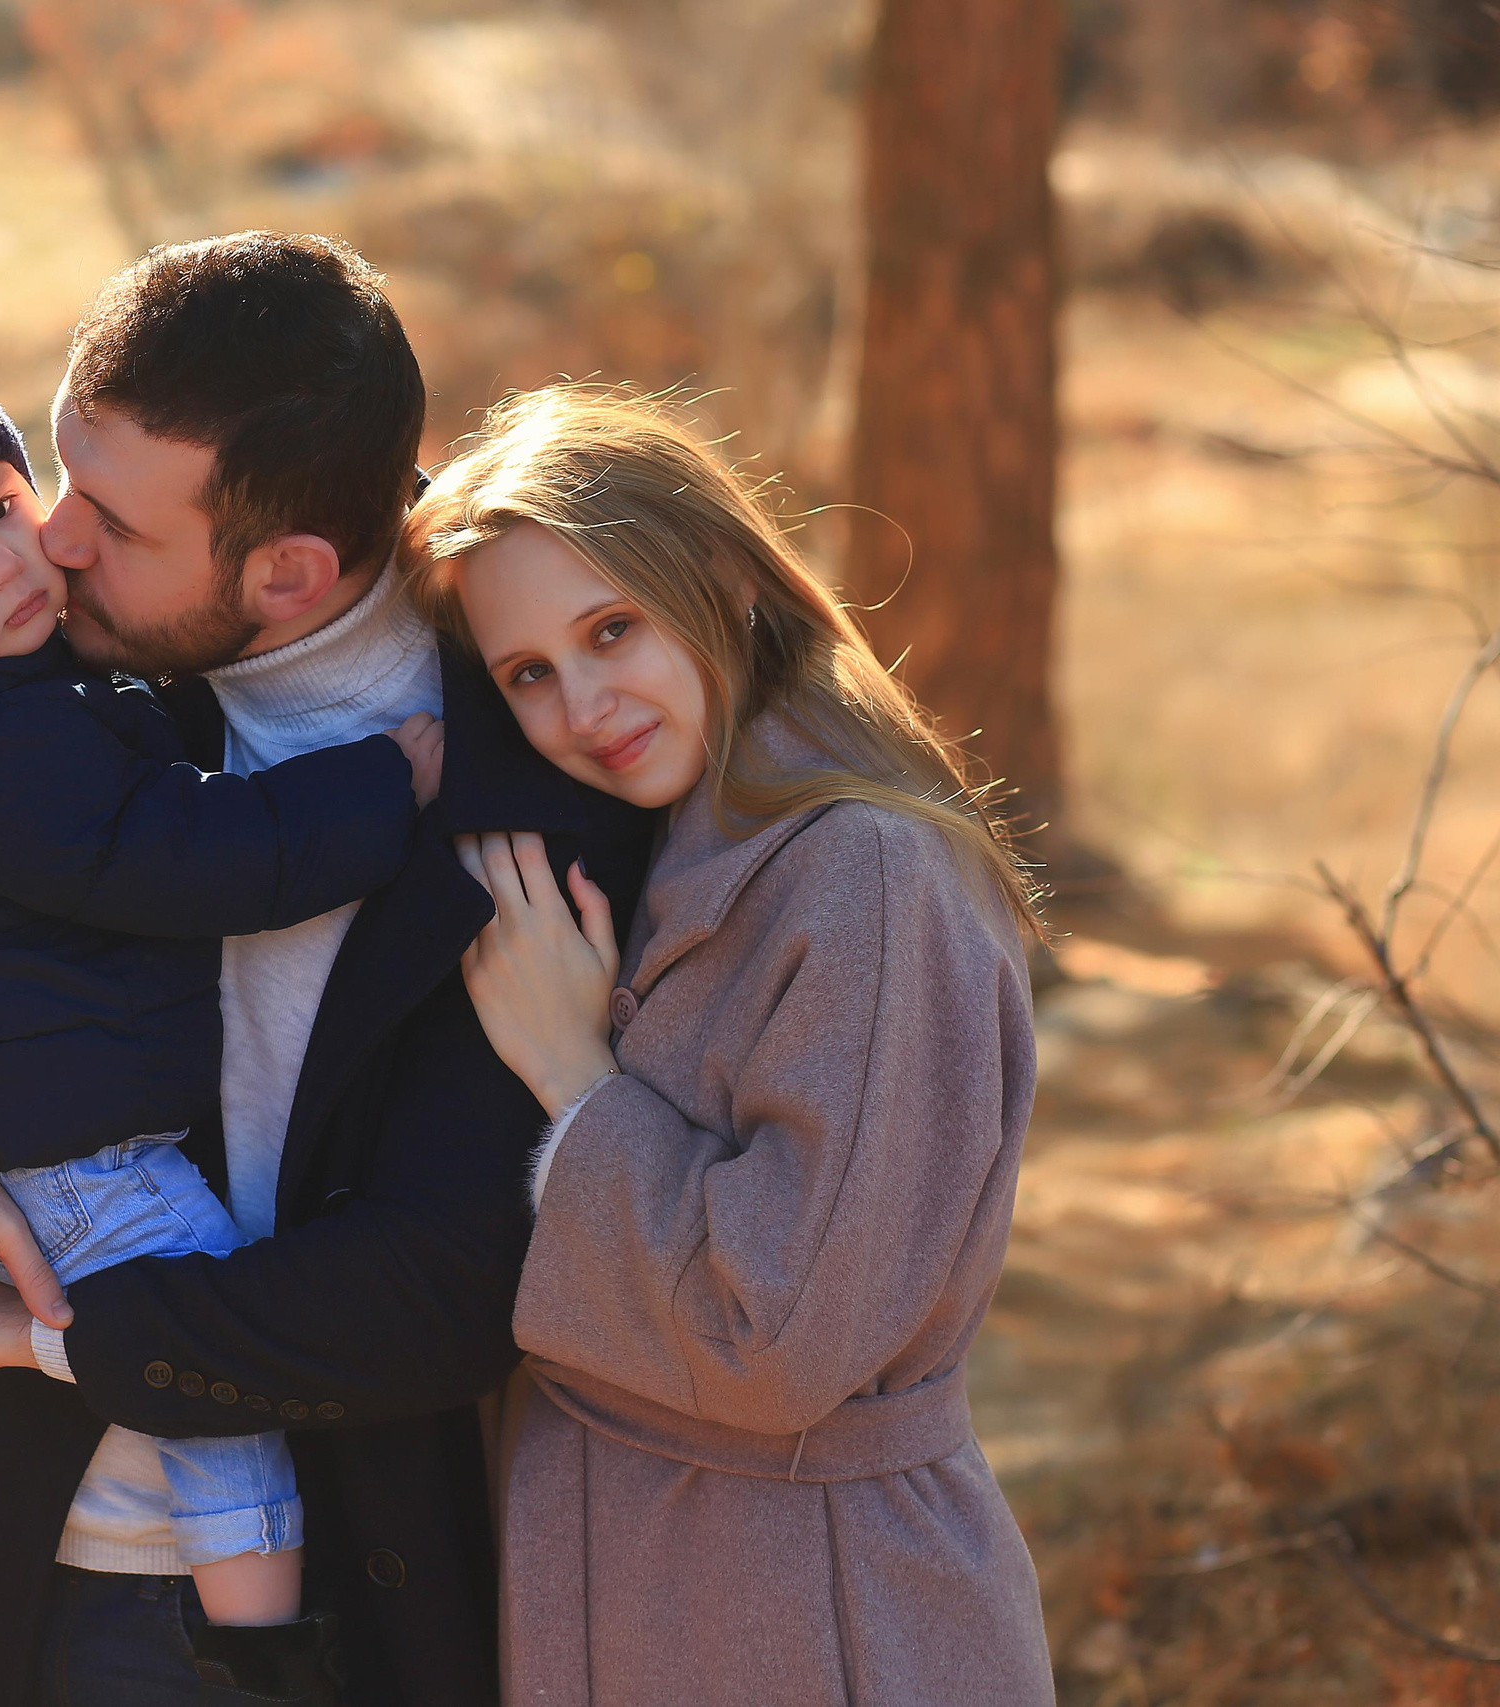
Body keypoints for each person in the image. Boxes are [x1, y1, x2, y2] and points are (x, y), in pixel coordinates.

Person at [0, 234, 653, 1707]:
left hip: (308, 1597)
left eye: (108, 523)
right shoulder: (61, 656)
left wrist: (71, 1337)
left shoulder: (522, 814)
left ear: (288, 571)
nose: (52, 540)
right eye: (47, 479)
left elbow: (450, 1285)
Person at [397, 384, 1055, 1706]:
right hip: (645, 1587)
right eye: (530, 672)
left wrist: (574, 1081)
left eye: (612, 629)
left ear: (726, 578)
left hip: (821, 1608)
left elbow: (782, 1340)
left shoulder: (864, 876)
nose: (585, 703)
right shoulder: (679, 845)